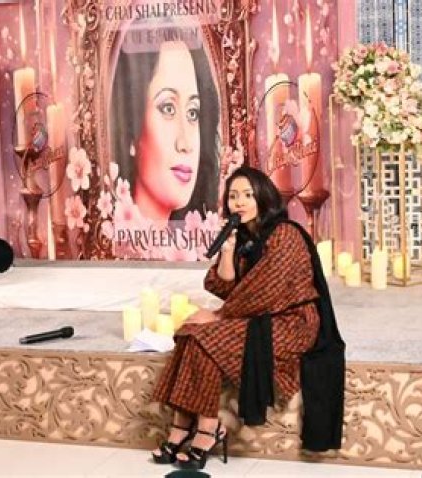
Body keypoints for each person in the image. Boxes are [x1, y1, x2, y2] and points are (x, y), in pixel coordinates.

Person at [150, 166, 345, 470]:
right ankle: (183, 426)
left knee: (202, 334)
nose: (239, 202)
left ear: (263, 198)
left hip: (292, 323)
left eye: (247, 195)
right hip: (259, 317)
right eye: (233, 196)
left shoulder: (286, 234)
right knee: (191, 332)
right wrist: (228, 251)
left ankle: (206, 429)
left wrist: (218, 316)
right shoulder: (243, 237)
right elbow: (224, 288)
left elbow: (264, 291)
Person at [109, 21, 220, 223]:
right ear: (130, 131)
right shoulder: (109, 234)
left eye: (192, 113)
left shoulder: (204, 234)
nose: (185, 144)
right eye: (168, 108)